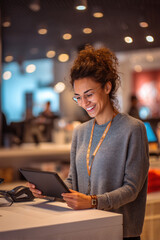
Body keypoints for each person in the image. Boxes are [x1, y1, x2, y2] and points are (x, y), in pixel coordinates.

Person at [28, 45, 149, 240]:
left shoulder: (133, 129)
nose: (84, 103)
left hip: (120, 232)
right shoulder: (80, 132)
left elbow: (132, 189)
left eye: (89, 94)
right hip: (86, 228)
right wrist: (50, 192)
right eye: (78, 97)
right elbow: (73, 182)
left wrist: (93, 201)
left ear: (107, 87)